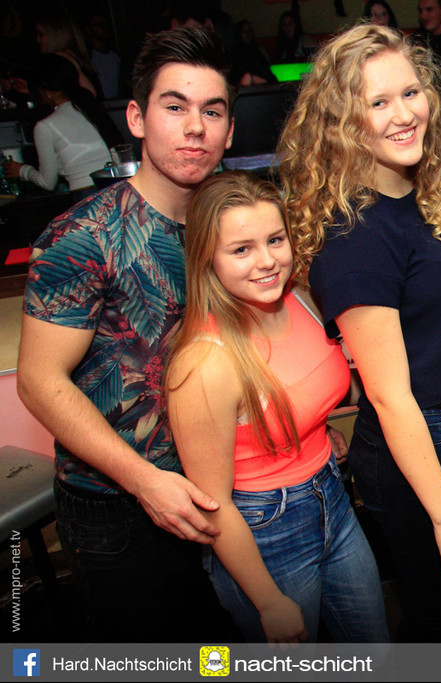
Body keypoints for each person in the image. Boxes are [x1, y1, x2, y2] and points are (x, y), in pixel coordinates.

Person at [276, 24, 441, 643]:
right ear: (341, 120)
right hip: (421, 440)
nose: (404, 114)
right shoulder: (355, 236)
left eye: (410, 93)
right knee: (440, 614)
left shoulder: (420, 190)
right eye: (378, 102)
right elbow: (387, 396)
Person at [16, 27, 236, 642]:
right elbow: (38, 381)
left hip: (221, 485)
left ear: (229, 131)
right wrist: (146, 483)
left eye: (211, 111)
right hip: (118, 508)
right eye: (175, 106)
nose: (194, 127)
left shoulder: (229, 227)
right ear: (137, 118)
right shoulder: (83, 236)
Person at [166, 171, 389, 644]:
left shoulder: (300, 299)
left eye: (275, 240)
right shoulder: (204, 362)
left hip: (333, 497)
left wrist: (311, 432)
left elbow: (297, 395)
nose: (267, 261)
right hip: (263, 531)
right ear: (207, 257)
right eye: (241, 249)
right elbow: (213, 505)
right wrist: (267, 601)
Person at [3, 54, 118, 200]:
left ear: (46, 90)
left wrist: (22, 170)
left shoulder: (45, 126)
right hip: (117, 186)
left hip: (86, 195)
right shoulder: (89, 107)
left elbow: (47, 182)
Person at [36, 16, 103, 98]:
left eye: (41, 34)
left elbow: (90, 95)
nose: (37, 39)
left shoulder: (63, 59)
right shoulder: (72, 57)